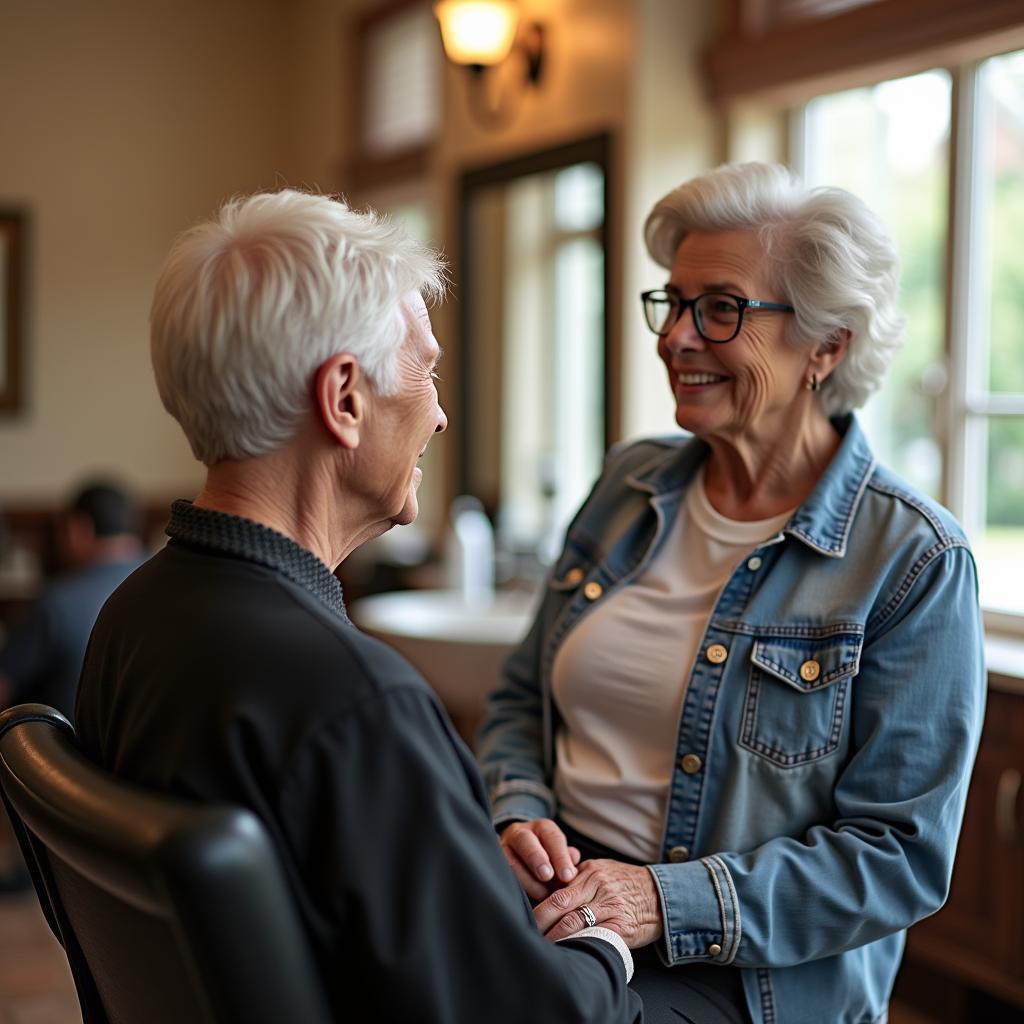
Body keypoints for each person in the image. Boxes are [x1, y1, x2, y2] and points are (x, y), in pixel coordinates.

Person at [74, 190, 644, 1022]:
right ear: (343, 397)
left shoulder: (131, 619)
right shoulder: (354, 703)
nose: (441, 414)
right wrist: (602, 941)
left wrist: (449, 867)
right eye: (428, 368)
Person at [476, 162, 986, 1024]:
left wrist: (659, 902)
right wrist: (517, 813)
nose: (675, 338)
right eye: (671, 304)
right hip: (562, 906)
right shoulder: (628, 484)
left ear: (827, 346)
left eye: (720, 308)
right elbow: (523, 697)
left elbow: (897, 857)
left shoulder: (914, 559)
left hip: (743, 975)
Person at [0, 480, 144, 720]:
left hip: (66, 752)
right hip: (151, 750)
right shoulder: (169, 588)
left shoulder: (58, 601)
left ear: (79, 529)